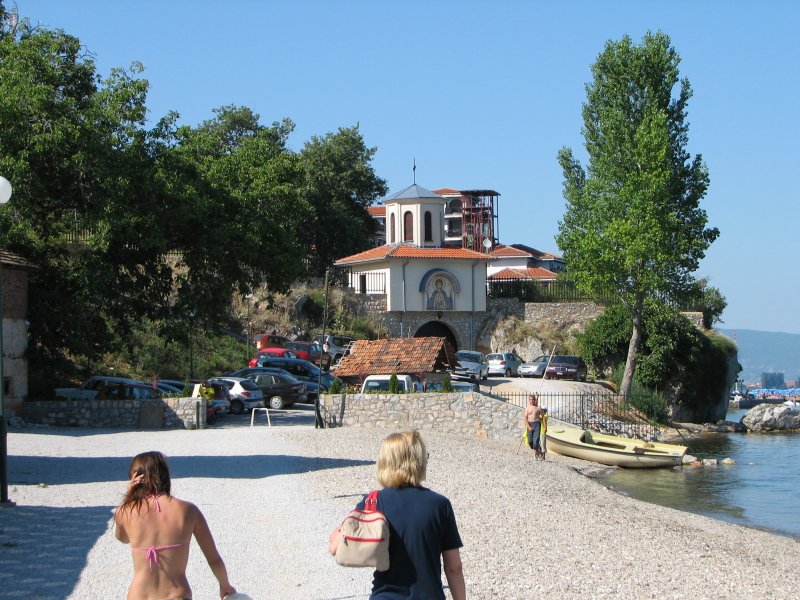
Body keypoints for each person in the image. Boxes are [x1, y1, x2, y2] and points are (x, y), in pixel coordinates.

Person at [329, 431, 466, 600]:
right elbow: (454, 568)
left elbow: (334, 547)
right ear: (418, 462)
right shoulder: (440, 505)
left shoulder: (373, 502)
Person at [114, 451, 236, 600]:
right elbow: (213, 559)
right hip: (177, 594)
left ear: (134, 479)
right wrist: (225, 585)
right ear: (165, 476)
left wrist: (129, 499)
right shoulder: (188, 510)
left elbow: (122, 538)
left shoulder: (125, 512)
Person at [524, 394, 545, 460]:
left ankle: (535, 456)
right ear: (529, 400)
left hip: (537, 425)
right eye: (530, 400)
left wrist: (544, 425)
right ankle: (540, 451)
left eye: (533, 399)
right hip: (530, 424)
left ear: (534, 400)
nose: (532, 401)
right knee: (530, 441)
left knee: (536, 440)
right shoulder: (527, 408)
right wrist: (528, 427)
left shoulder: (538, 408)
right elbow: (525, 418)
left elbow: (543, 416)